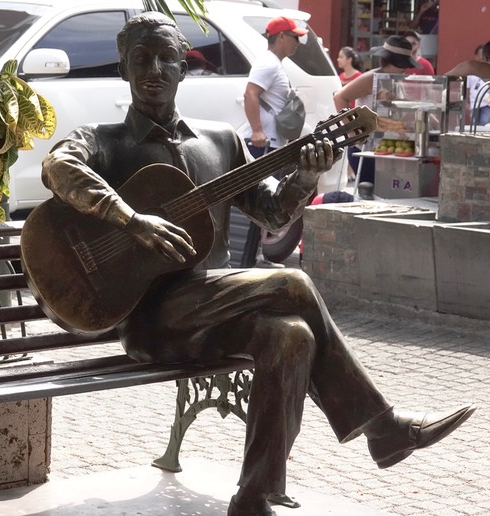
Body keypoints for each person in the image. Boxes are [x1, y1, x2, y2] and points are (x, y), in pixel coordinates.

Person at [41, 12, 475, 516]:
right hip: (150, 316)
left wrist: (304, 178)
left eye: (166, 59)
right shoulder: (105, 141)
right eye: (141, 59)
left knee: (292, 337)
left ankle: (254, 496)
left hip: (218, 305)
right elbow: (58, 167)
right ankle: (383, 427)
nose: (154, 69)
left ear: (185, 68)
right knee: (292, 280)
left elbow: (270, 211)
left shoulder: (219, 141)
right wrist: (132, 220)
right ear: (123, 69)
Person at [240, 16, 307, 268]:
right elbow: (250, 93)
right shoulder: (267, 64)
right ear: (281, 37)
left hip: (270, 144)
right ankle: (252, 257)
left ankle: (256, 256)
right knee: (259, 200)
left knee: (265, 200)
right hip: (261, 144)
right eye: (294, 37)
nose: (297, 43)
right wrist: (257, 130)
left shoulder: (274, 64)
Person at [333, 35, 422, 185]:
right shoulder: (371, 78)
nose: (406, 68)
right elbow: (340, 98)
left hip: (388, 147)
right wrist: (353, 133)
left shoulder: (396, 79)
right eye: (403, 64)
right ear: (393, 62)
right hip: (366, 150)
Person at [336, 46, 364, 181]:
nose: (338, 59)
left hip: (355, 116)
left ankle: (352, 171)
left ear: (349, 59)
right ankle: (347, 171)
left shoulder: (359, 77)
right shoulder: (340, 77)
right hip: (343, 115)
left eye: (341, 57)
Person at [465, 43, 490, 127]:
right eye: (480, 55)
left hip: (486, 104)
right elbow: (467, 89)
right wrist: (466, 103)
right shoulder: (471, 72)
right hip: (474, 104)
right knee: (474, 124)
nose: (481, 58)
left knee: (483, 122)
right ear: (476, 56)